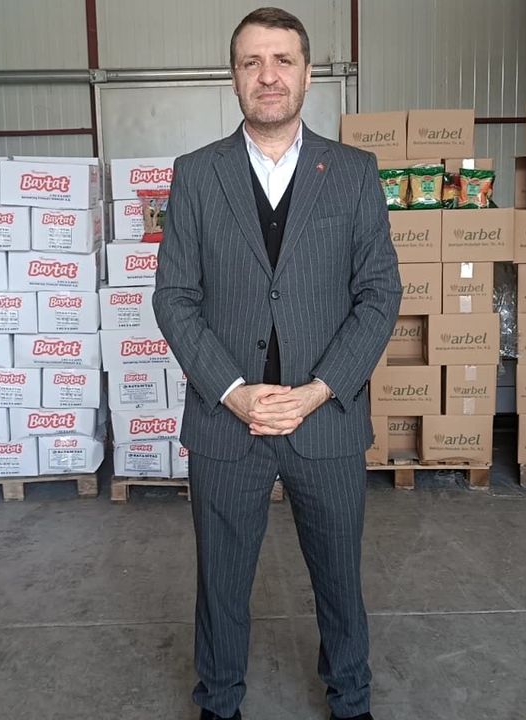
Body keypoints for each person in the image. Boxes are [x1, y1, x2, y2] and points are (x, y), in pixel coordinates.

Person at [153, 8, 401, 719]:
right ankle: (219, 700)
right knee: (221, 582)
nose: (268, 76)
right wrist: (232, 391)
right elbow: (174, 297)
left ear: (308, 74)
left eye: (283, 60)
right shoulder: (197, 174)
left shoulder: (352, 173)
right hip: (227, 422)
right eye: (252, 62)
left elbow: (380, 293)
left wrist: (320, 389)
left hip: (325, 419)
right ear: (234, 77)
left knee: (339, 577)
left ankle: (351, 697)